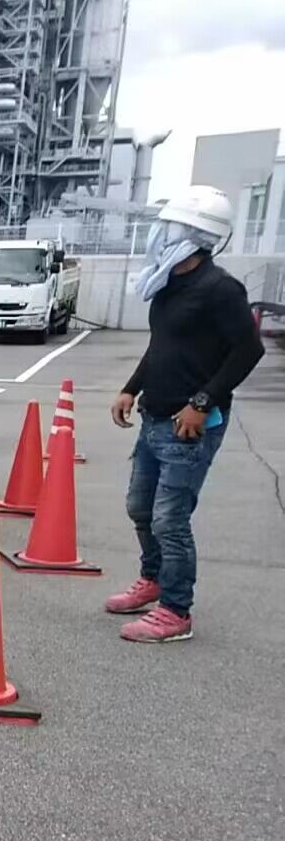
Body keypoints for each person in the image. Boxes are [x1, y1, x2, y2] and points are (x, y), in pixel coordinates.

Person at [106, 185, 263, 643]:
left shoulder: (220, 290)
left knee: (170, 519)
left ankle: (176, 610)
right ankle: (152, 579)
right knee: (141, 507)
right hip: (154, 416)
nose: (159, 234)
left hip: (188, 425)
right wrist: (131, 388)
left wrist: (202, 401)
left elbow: (247, 350)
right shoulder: (168, 284)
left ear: (196, 234)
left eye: (168, 226)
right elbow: (163, 346)